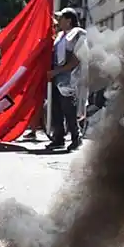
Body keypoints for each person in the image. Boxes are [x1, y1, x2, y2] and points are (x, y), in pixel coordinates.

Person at [46, 8, 86, 152]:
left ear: (68, 20)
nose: (58, 21)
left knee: (69, 109)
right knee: (56, 108)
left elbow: (77, 58)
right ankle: (58, 138)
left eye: (61, 18)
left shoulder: (78, 34)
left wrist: (58, 70)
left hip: (70, 78)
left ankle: (76, 137)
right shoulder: (60, 36)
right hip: (57, 77)